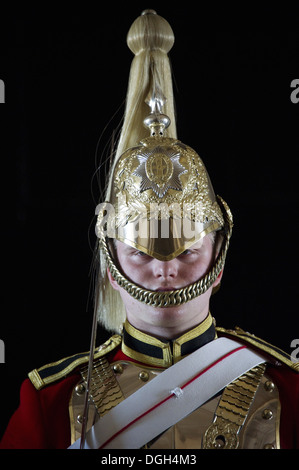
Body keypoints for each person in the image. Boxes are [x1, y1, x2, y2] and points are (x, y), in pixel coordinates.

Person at [1, 10, 298, 450]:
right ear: (110, 264)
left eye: (186, 251)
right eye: (141, 252)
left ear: (218, 263)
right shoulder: (50, 400)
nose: (165, 269)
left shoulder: (290, 392)